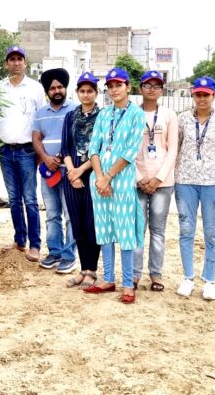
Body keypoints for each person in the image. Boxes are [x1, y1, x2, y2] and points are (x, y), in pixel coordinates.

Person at [84, 67, 146, 304]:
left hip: (121, 181)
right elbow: (94, 148)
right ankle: (108, 279)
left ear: (128, 87)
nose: (114, 89)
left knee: (125, 232)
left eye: (118, 85)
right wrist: (100, 177)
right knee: (105, 230)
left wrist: (108, 177)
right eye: (110, 86)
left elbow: (130, 152)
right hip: (99, 182)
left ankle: (128, 283)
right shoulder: (103, 114)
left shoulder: (136, 115)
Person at [174, 76, 215, 301]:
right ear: (192, 95)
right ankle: (188, 277)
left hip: (214, 182)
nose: (201, 98)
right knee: (186, 230)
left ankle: (209, 280)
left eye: (206, 94)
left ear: (213, 95)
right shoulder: (182, 120)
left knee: (212, 232)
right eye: (197, 94)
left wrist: (214, 168)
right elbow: (177, 147)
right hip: (186, 180)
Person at [0, 46, 45, 262]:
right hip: (5, 149)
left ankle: (35, 245)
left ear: (25, 63)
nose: (15, 63)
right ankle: (19, 240)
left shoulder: (35, 88)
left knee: (30, 199)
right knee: (13, 199)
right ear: (6, 64)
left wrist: (40, 150)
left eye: (19, 59)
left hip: (27, 150)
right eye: (11, 59)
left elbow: (40, 120)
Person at [134, 70, 178, 292]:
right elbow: (127, 150)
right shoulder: (132, 113)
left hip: (163, 183)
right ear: (140, 88)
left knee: (158, 230)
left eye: (156, 85)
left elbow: (173, 150)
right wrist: (140, 178)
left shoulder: (169, 115)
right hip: (138, 181)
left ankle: (156, 274)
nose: (152, 89)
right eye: (147, 85)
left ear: (162, 90)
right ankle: (134, 274)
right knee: (137, 229)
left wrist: (158, 178)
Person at [33, 68, 78, 274]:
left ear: (65, 88)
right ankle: (55, 252)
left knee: (70, 215)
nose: (57, 90)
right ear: (47, 91)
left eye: (60, 86)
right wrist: (46, 158)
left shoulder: (76, 109)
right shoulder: (40, 113)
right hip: (48, 172)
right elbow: (36, 139)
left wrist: (61, 157)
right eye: (52, 88)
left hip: (70, 171)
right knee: (52, 214)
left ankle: (69, 256)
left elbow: (80, 138)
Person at [61, 72, 101, 288]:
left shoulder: (103, 117)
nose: (86, 95)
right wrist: (72, 171)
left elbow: (102, 149)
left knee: (91, 223)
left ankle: (92, 271)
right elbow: (65, 146)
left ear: (96, 93)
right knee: (76, 223)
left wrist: (81, 170)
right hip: (71, 173)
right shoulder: (71, 116)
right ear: (77, 93)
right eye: (82, 91)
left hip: (93, 173)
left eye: (90, 91)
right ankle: (82, 268)